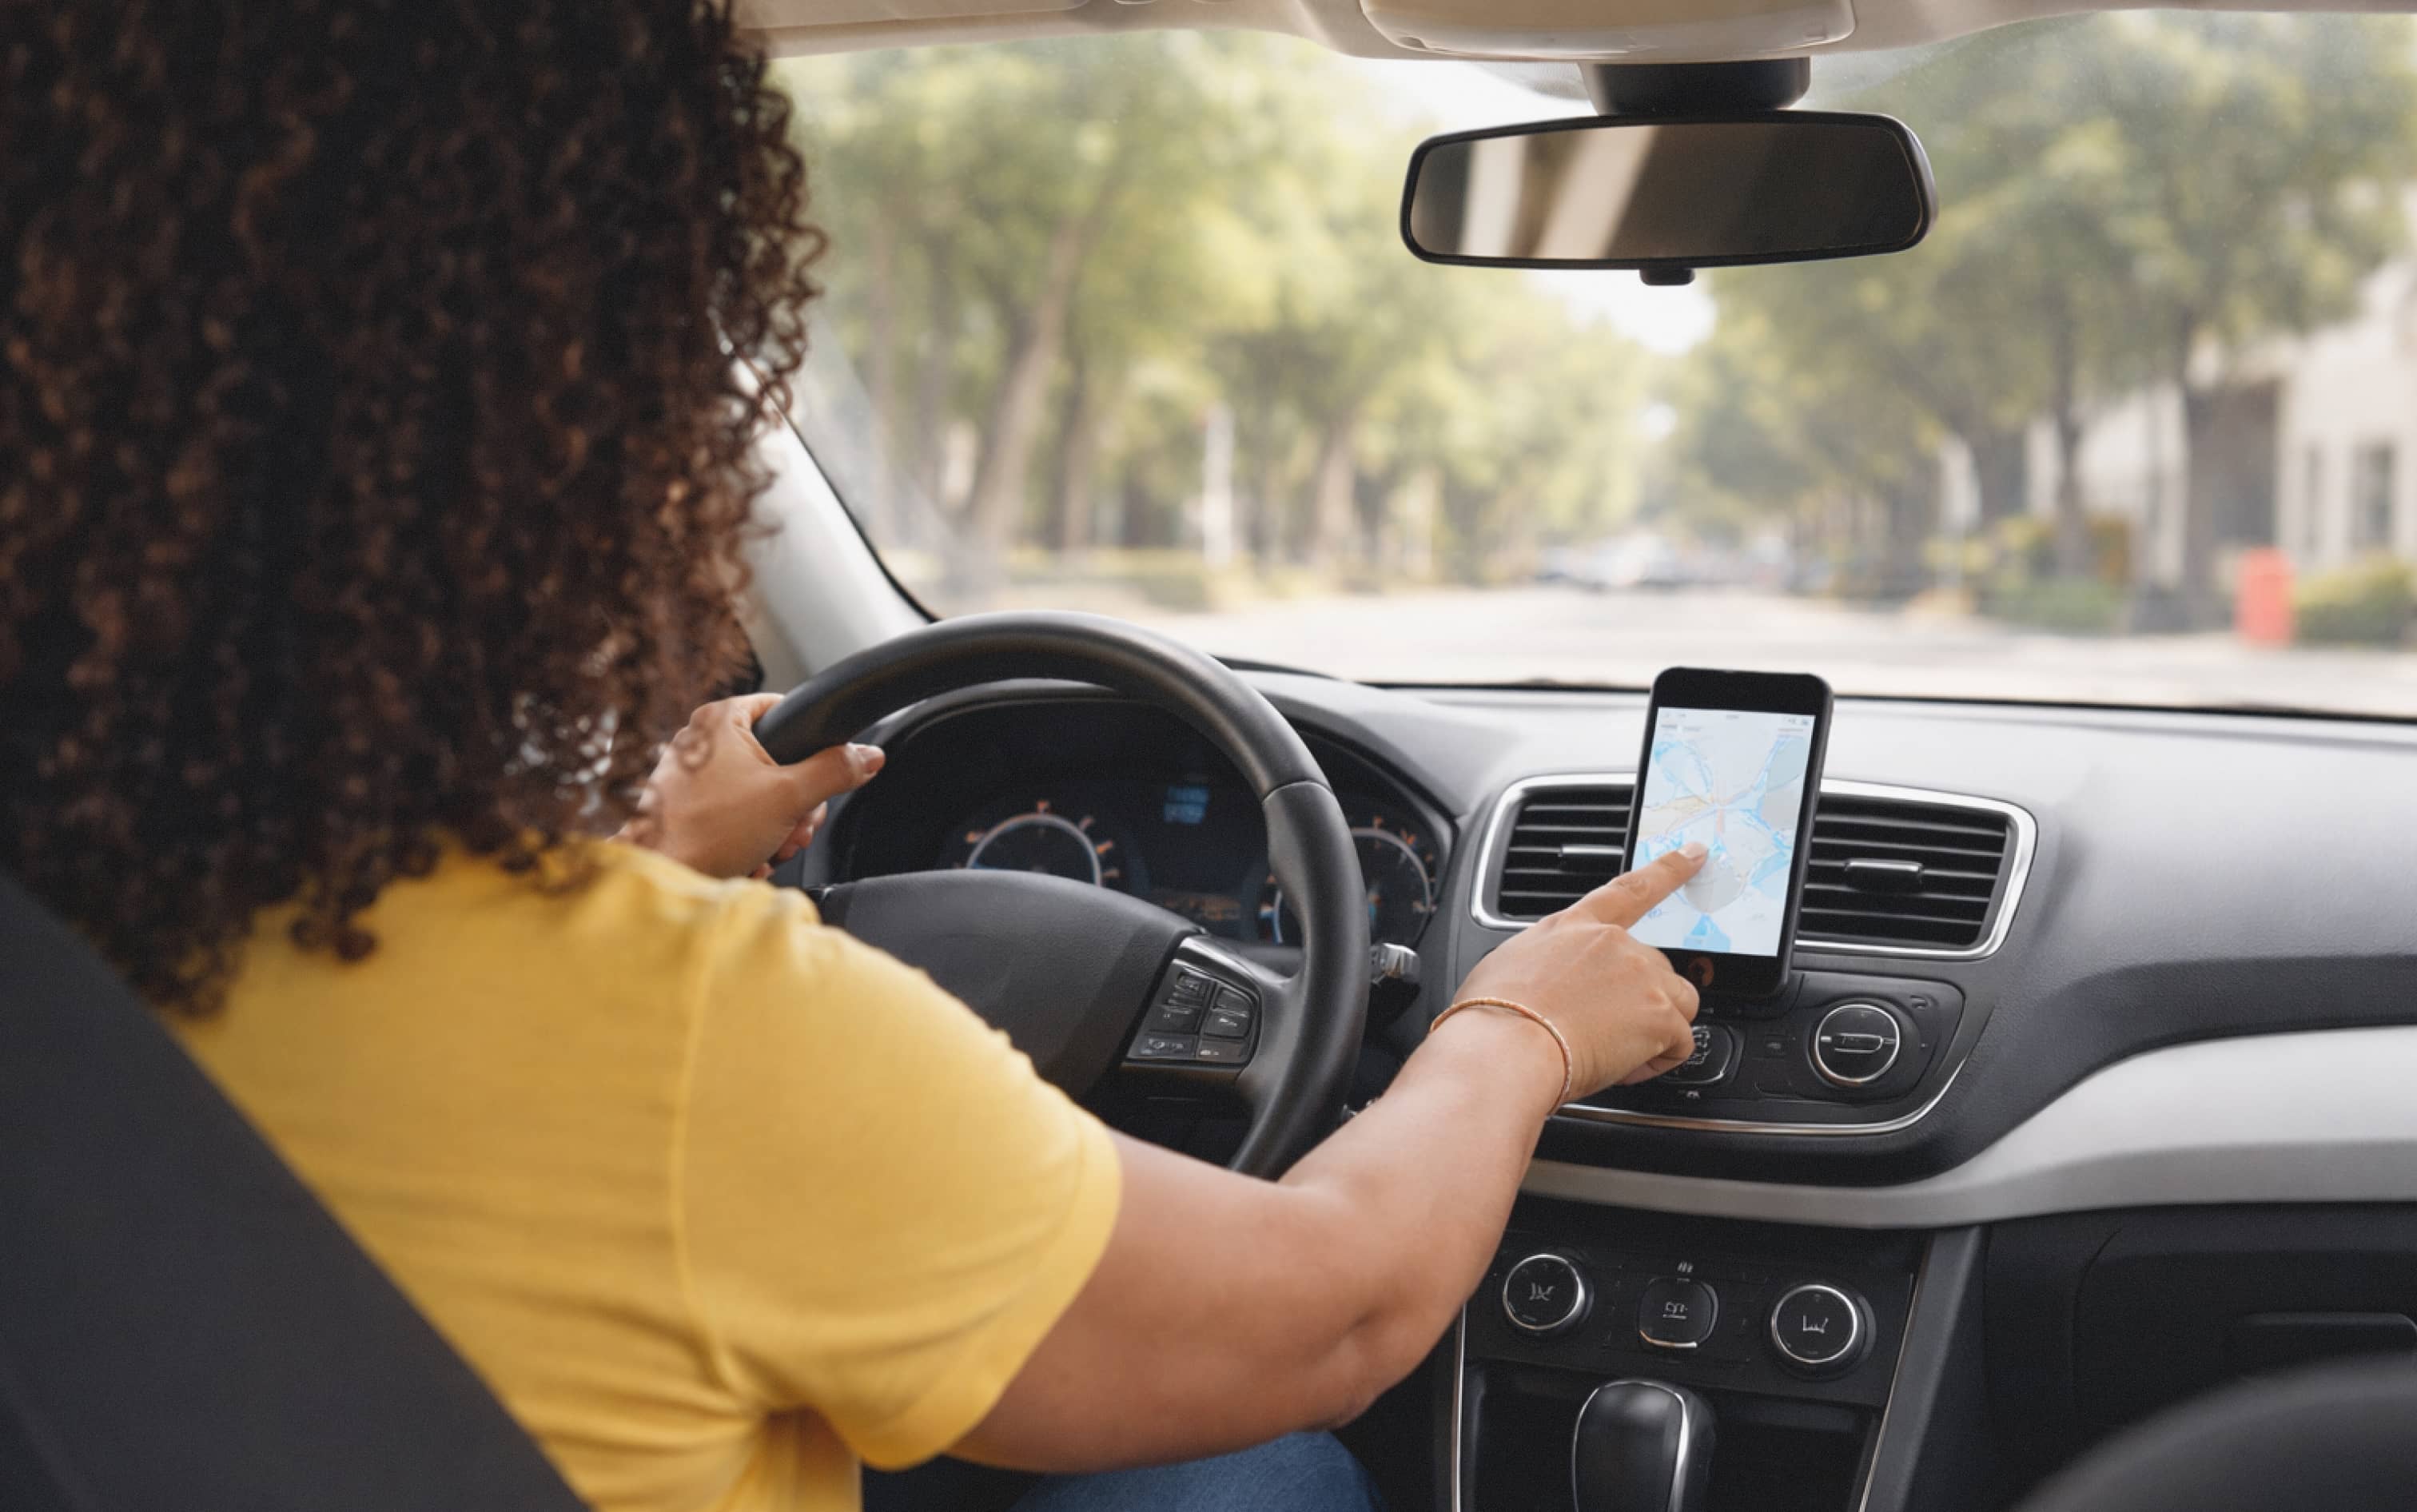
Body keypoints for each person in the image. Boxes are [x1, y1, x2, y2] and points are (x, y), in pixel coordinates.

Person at [0, 5, 1709, 1512]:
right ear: (550, 431)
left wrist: (647, 849)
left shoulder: (77, 914)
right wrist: (1518, 1027)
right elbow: (1333, 1307)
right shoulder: (676, 1039)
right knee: (1256, 1465)